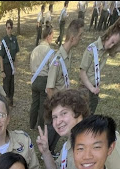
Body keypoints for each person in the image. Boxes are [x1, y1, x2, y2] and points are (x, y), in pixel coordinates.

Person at [36, 89, 120, 169]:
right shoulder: (67, 146)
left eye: (64, 113)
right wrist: (45, 152)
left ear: (78, 112)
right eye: (54, 117)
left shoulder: (103, 138)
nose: (58, 121)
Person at [79, 9, 120, 113]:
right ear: (109, 35)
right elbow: (82, 73)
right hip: (85, 89)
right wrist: (91, 88)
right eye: (112, 41)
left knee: (90, 117)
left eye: (115, 44)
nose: (112, 45)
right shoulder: (92, 49)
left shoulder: (107, 50)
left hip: (94, 89)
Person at [46, 19, 85, 155]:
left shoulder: (68, 56)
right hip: (57, 104)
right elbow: (49, 88)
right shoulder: (57, 60)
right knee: (53, 128)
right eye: (80, 36)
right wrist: (55, 110)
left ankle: (52, 149)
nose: (81, 39)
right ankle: (47, 150)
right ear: (73, 38)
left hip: (63, 102)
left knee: (60, 130)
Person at [30, 25, 55, 132]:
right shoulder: (50, 51)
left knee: (34, 103)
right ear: (48, 36)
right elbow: (52, 69)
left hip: (34, 79)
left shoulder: (35, 50)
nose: (53, 38)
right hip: (44, 80)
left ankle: (31, 125)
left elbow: (31, 65)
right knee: (42, 105)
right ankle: (40, 126)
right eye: (52, 35)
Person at [0, 19, 20, 107]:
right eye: (8, 28)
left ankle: (10, 102)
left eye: (11, 28)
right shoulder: (4, 40)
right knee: (6, 85)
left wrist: (15, 67)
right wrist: (2, 71)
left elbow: (15, 54)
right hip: (6, 65)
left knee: (12, 85)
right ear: (5, 28)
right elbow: (0, 56)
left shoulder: (14, 39)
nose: (9, 29)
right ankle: (5, 104)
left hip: (12, 66)